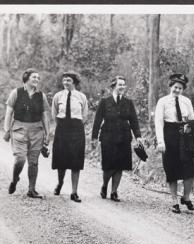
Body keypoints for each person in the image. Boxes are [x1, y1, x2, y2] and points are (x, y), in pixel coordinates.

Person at [92, 75, 142, 202]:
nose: (122, 87)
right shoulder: (104, 102)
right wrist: (94, 137)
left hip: (124, 137)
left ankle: (114, 192)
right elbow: (97, 121)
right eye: (120, 85)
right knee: (109, 166)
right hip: (108, 137)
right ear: (114, 86)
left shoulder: (128, 102)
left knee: (120, 166)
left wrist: (138, 136)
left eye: (124, 85)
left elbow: (134, 121)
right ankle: (104, 185)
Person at [155, 73, 194, 214]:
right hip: (169, 135)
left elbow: (192, 120)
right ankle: (174, 201)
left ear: (183, 89)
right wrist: (161, 141)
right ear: (171, 86)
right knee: (171, 168)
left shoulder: (186, 101)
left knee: (190, 168)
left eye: (180, 88)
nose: (177, 90)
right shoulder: (162, 102)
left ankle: (186, 197)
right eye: (175, 87)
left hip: (185, 136)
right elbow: (158, 122)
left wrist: (190, 127)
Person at [3, 68, 50, 198]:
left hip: (37, 131)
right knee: (20, 158)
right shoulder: (16, 93)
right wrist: (7, 130)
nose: (36, 80)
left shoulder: (41, 95)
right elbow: (8, 113)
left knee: (33, 161)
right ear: (26, 78)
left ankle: (32, 190)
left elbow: (45, 115)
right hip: (19, 129)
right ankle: (14, 179)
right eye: (34, 77)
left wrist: (48, 133)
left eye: (38, 78)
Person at [51, 71, 88, 203]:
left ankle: (74, 192)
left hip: (76, 130)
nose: (66, 83)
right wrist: (62, 126)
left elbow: (84, 116)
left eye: (69, 80)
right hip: (62, 129)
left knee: (76, 162)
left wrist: (75, 127)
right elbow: (54, 114)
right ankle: (60, 183)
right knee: (61, 160)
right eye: (64, 80)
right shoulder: (58, 96)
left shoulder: (81, 97)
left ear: (74, 82)